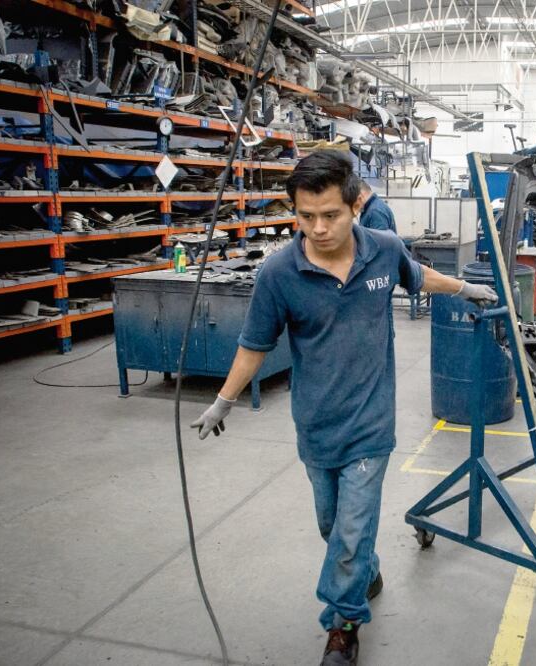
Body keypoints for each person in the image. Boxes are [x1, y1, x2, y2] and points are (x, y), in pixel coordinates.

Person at [190, 151, 496, 666]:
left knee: (351, 533)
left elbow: (416, 275)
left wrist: (464, 288)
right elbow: (254, 344)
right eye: (305, 216)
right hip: (316, 424)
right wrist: (223, 401)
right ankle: (366, 572)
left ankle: (343, 627)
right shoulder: (279, 273)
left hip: (372, 424)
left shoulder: (384, 249)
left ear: (355, 206)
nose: (318, 228)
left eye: (330, 215)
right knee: (333, 527)